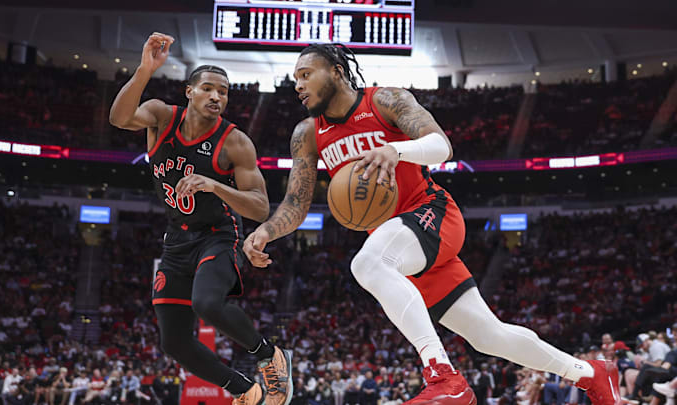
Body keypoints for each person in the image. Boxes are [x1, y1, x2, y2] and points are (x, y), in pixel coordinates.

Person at [243, 43, 620, 405]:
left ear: (337, 72)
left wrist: (397, 149)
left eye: (306, 74)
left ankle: (444, 377)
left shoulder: (384, 100)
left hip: (431, 212)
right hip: (398, 244)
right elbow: (296, 202)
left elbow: (441, 146)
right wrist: (266, 231)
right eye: (295, 78)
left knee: (367, 263)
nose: (298, 85)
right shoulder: (307, 133)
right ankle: (590, 373)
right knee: (488, 336)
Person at [109, 32, 292, 405]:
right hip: (176, 238)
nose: (216, 97)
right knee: (173, 341)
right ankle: (246, 391)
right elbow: (119, 118)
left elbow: (259, 207)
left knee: (207, 303)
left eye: (223, 92)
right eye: (208, 88)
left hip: (218, 235)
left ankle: (268, 355)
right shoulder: (161, 116)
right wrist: (145, 69)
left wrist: (214, 185)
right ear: (189, 92)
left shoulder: (235, 141)